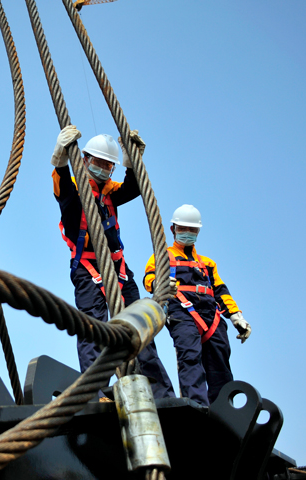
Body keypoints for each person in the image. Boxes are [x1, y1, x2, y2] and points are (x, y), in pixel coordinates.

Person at [50, 125, 175, 399]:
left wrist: (132, 161)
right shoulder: (72, 190)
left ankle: (161, 395)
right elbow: (59, 182)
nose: (105, 169)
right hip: (88, 268)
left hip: (119, 269)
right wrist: (59, 157)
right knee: (93, 329)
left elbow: (135, 187)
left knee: (141, 328)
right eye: (100, 163)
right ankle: (95, 394)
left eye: (110, 165)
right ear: (85, 160)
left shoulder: (109, 192)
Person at [143, 204, 252, 406]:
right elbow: (149, 279)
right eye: (183, 228)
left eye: (192, 229)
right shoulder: (163, 256)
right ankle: (197, 406)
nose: (188, 233)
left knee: (220, 362)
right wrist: (159, 283)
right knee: (190, 358)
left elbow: (220, 290)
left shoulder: (207, 264)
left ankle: (223, 410)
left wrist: (236, 316)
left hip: (212, 315)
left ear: (198, 231)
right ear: (173, 229)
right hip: (181, 311)